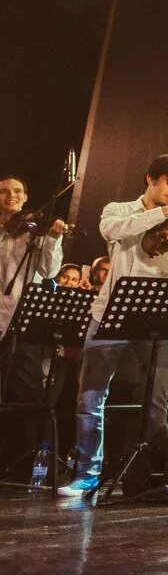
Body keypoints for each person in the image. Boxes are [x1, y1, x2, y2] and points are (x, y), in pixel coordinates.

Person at [58, 155, 168, 498]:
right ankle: (87, 474)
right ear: (150, 178)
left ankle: (148, 474)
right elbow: (112, 231)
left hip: (158, 318)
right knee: (91, 397)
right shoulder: (119, 210)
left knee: (157, 398)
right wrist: (165, 213)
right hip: (110, 312)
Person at [0, 174, 66, 453]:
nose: (10, 196)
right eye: (4, 191)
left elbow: (48, 271)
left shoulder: (34, 230)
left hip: (20, 321)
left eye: (17, 191)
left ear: (26, 197)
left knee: (24, 391)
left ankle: (21, 461)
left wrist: (52, 237)